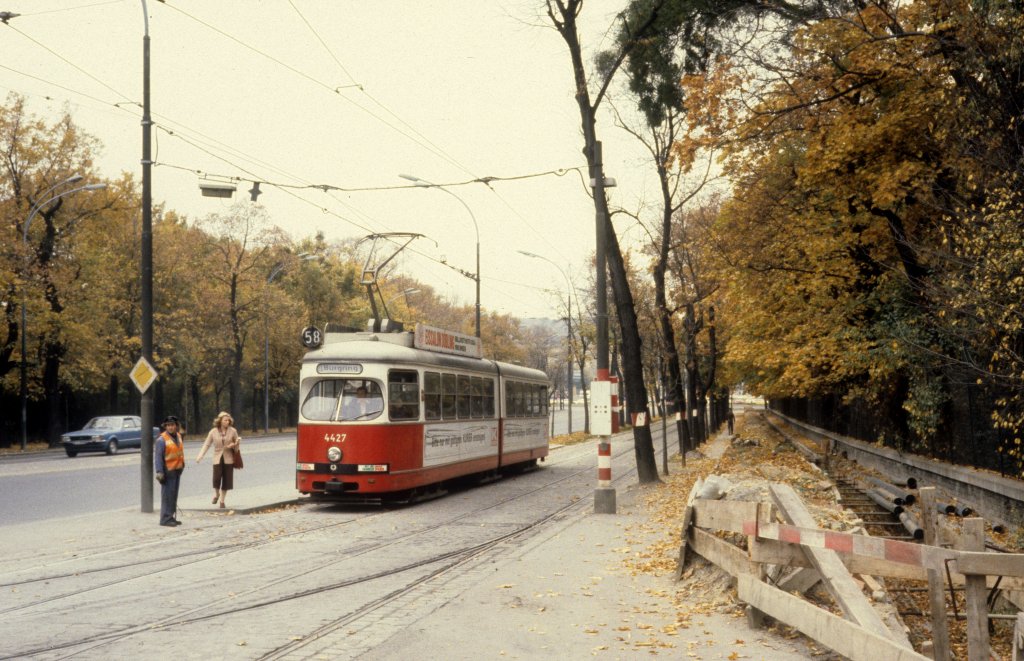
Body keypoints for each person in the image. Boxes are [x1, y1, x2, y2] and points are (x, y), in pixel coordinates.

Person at [196, 411, 241, 509]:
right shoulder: (213, 432)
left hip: (228, 459)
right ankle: (216, 494)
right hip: (217, 458)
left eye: (228, 420)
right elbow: (207, 444)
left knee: (226, 480)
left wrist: (235, 445)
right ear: (220, 421)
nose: (227, 422)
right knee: (216, 479)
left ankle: (222, 501)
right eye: (225, 420)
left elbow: (237, 449)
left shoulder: (233, 431)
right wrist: (200, 455)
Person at [154, 415, 185, 527]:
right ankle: (165, 519)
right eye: (168, 425)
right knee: (167, 496)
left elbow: (180, 452)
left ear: (176, 426)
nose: (170, 427)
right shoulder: (161, 440)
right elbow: (158, 457)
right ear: (165, 426)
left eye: (172, 425)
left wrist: (182, 465)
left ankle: (171, 517)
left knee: (173, 495)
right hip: (168, 471)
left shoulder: (178, 436)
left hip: (177, 470)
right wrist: (159, 472)